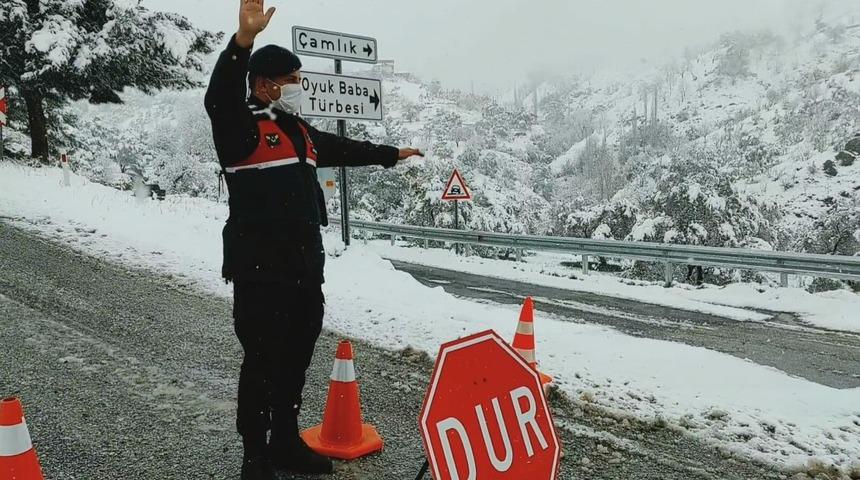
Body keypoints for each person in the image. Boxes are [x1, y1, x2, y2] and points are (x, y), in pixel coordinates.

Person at [204, 1, 423, 478]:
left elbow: (341, 148)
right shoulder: (240, 129)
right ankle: (255, 455)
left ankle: (284, 440)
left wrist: (389, 154)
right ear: (265, 84)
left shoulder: (298, 131)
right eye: (293, 80)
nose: (300, 88)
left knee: (297, 357)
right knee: (263, 361)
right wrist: (242, 43)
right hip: (261, 270)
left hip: (304, 269)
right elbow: (218, 97)